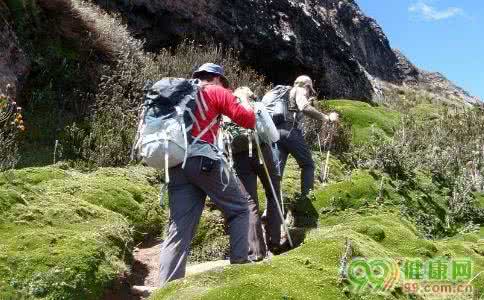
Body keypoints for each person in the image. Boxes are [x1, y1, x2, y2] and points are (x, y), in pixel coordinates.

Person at [158, 63, 256, 286]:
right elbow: (248, 120)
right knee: (240, 209)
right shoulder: (216, 91)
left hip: (175, 163)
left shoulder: (180, 97)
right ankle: (240, 272)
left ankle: (166, 289)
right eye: (224, 82)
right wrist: (244, 100)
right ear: (217, 78)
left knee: (179, 229)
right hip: (203, 160)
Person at [274, 75, 338, 224]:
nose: (310, 93)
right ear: (307, 86)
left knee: (277, 173)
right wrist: (327, 118)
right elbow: (304, 107)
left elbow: (296, 109)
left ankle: (271, 209)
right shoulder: (301, 90)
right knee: (308, 165)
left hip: (276, 133)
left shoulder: (283, 93)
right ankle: (306, 201)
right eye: (310, 90)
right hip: (291, 132)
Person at [229, 87, 283, 258]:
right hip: (261, 152)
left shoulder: (227, 110)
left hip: (238, 157)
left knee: (249, 201)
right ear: (250, 95)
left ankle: (256, 252)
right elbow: (274, 136)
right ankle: (274, 241)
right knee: (273, 193)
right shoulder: (257, 106)